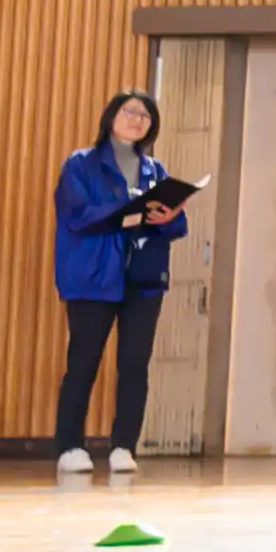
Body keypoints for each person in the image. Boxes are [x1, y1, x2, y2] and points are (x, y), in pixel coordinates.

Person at [48, 91, 196, 482]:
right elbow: (77, 215)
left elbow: (178, 226)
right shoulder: (81, 164)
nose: (137, 120)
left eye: (145, 116)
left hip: (144, 278)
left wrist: (166, 216)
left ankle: (123, 445)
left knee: (135, 364)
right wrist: (129, 214)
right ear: (111, 116)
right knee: (83, 362)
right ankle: (70, 446)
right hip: (93, 278)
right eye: (130, 112)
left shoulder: (155, 170)